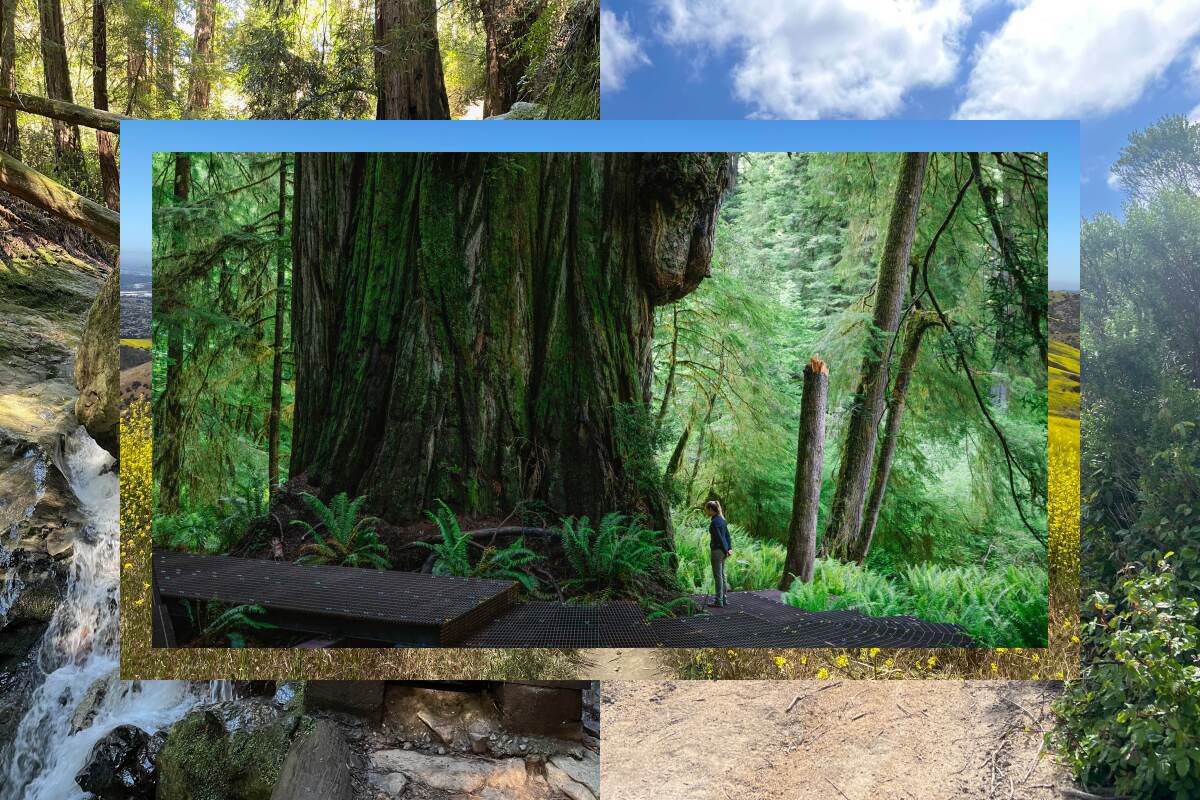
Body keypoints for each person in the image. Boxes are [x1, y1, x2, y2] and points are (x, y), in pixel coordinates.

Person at [704, 500, 732, 608]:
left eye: (707, 510)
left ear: (711, 509)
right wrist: (729, 549)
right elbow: (727, 536)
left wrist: (726, 550)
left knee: (718, 577)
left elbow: (720, 538)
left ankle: (718, 601)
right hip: (724, 551)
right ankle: (724, 599)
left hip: (717, 551)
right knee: (723, 576)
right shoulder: (722, 520)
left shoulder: (714, 522)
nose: (706, 512)